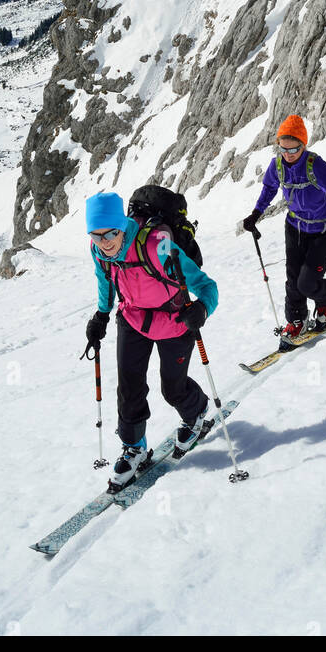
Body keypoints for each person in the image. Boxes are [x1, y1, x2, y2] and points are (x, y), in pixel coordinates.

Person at [84, 190, 219, 488]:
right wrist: (101, 316)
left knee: (173, 388)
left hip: (174, 319)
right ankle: (134, 447)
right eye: (97, 235)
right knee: (129, 387)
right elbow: (105, 281)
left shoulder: (158, 245)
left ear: (122, 224)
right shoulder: (98, 252)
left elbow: (206, 285)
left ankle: (196, 412)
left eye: (112, 233)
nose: (105, 242)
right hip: (133, 318)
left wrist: (202, 308)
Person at [242, 114, 326, 342]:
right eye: (283, 149)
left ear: (303, 145)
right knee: (293, 280)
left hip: (324, 231)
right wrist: (256, 214)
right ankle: (296, 320)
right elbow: (268, 189)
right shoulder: (277, 165)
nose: (287, 154)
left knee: (307, 283)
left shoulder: (316, 165)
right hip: (295, 227)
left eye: (293, 150)